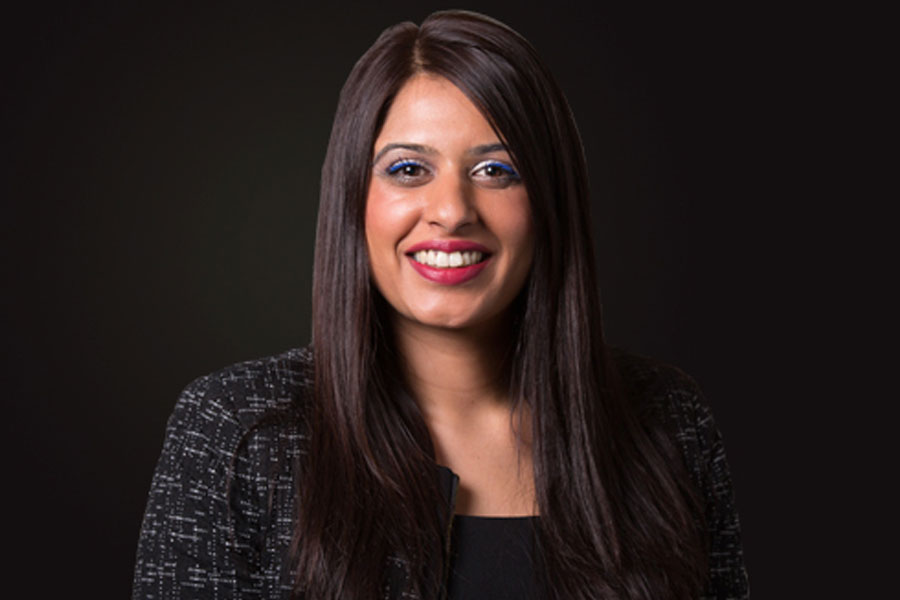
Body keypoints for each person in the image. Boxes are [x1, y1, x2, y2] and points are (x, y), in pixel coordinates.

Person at [132, 10, 748, 600]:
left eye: (496, 170)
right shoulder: (239, 432)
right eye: (408, 169)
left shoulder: (669, 425)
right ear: (353, 197)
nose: (452, 211)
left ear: (549, 203)